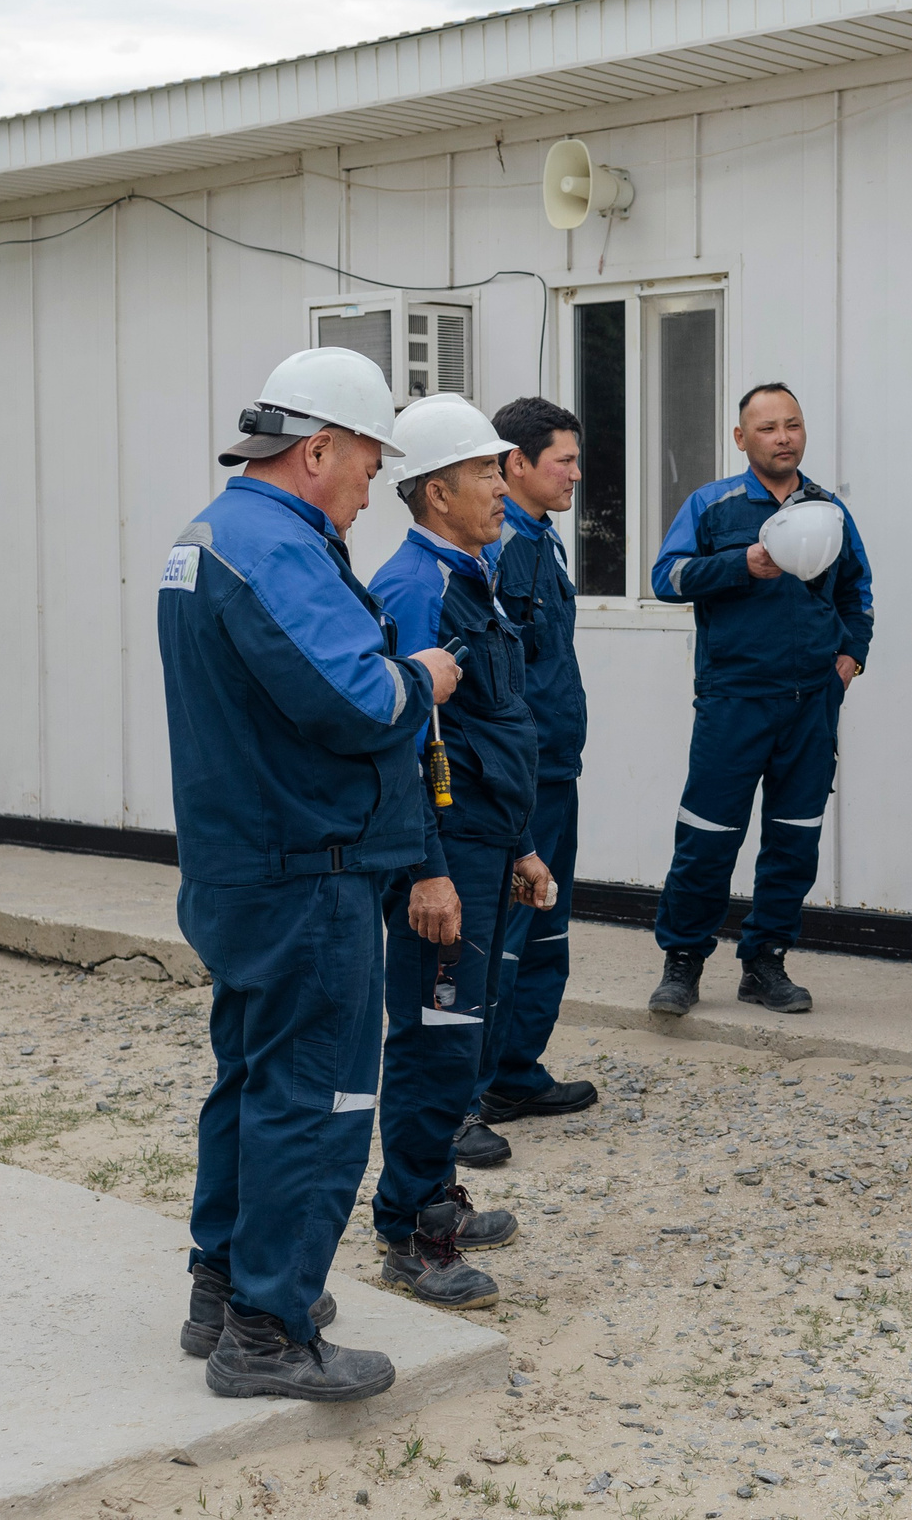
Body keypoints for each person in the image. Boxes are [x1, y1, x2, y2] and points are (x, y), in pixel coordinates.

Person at [157, 346, 459, 1402]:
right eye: (370, 461)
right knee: (316, 1096)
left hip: (247, 861)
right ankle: (269, 1329)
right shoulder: (272, 545)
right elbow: (359, 702)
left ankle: (224, 1287)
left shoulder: (218, 533)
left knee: (253, 1079)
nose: (374, 486)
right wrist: (421, 676)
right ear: (317, 447)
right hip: (303, 869)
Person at [367, 395, 553, 1303]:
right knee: (435, 1039)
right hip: (442, 855)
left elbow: (488, 727)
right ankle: (411, 1231)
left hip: (484, 841)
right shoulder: (416, 588)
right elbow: (402, 743)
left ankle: (434, 1191)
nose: (502, 485)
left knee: (459, 1032)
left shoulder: (473, 572)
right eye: (486, 471)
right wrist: (429, 868)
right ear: (438, 491)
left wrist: (519, 846)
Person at [644, 384, 874, 1018]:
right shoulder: (712, 505)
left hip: (810, 704)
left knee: (794, 837)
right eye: (768, 428)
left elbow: (857, 591)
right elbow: (667, 578)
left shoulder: (827, 510)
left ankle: (765, 962)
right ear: (741, 439)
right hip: (734, 700)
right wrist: (741, 563)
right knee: (708, 833)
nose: (783, 437)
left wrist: (851, 656)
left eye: (793, 425)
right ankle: (683, 961)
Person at [469, 397, 600, 1153]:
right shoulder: (501, 550)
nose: (577, 475)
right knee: (512, 927)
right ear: (515, 463)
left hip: (557, 766)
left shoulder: (541, 540)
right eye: (565, 460)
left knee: (547, 923)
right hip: (525, 773)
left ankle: (517, 1068)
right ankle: (477, 1084)